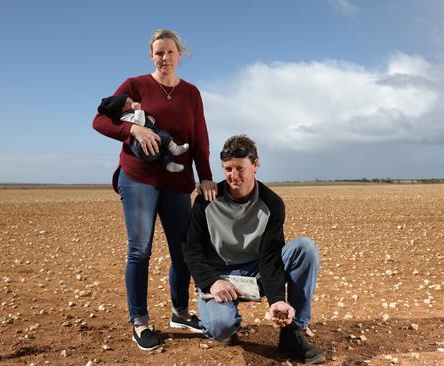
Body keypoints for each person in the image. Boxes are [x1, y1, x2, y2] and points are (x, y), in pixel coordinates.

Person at [92, 28, 218, 351]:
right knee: (140, 249)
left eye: (170, 52)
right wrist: (132, 129)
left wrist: (205, 176)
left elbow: (200, 140)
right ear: (151, 55)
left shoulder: (192, 94)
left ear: (180, 55)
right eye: (158, 52)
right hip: (139, 178)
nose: (164, 58)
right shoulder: (135, 85)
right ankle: (141, 322)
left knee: (184, 250)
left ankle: (180, 312)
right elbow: (100, 120)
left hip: (177, 181)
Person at [183, 135, 325, 364]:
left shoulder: (272, 203)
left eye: (240, 168)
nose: (233, 175)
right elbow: (192, 249)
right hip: (221, 277)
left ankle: (292, 333)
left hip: (257, 271)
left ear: (256, 164)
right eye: (228, 169)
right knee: (220, 329)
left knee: (305, 248)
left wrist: (277, 300)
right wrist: (212, 281)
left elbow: (270, 257)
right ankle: (227, 321)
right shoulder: (206, 201)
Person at [97, 94, 190, 172]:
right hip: (141, 147)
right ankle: (176, 149)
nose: (133, 102)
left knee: (164, 150)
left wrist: (150, 119)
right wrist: (138, 110)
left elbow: (145, 122)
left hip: (149, 148)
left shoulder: (130, 114)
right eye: (130, 101)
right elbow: (139, 123)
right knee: (162, 135)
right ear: (124, 107)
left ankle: (169, 164)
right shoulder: (125, 117)